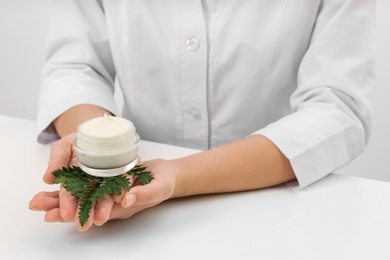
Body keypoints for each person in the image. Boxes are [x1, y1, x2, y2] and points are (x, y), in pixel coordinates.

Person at [29, 0, 375, 231]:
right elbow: (75, 65)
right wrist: (92, 147)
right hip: (133, 223)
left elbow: (337, 107)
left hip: (277, 210)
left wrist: (180, 176)